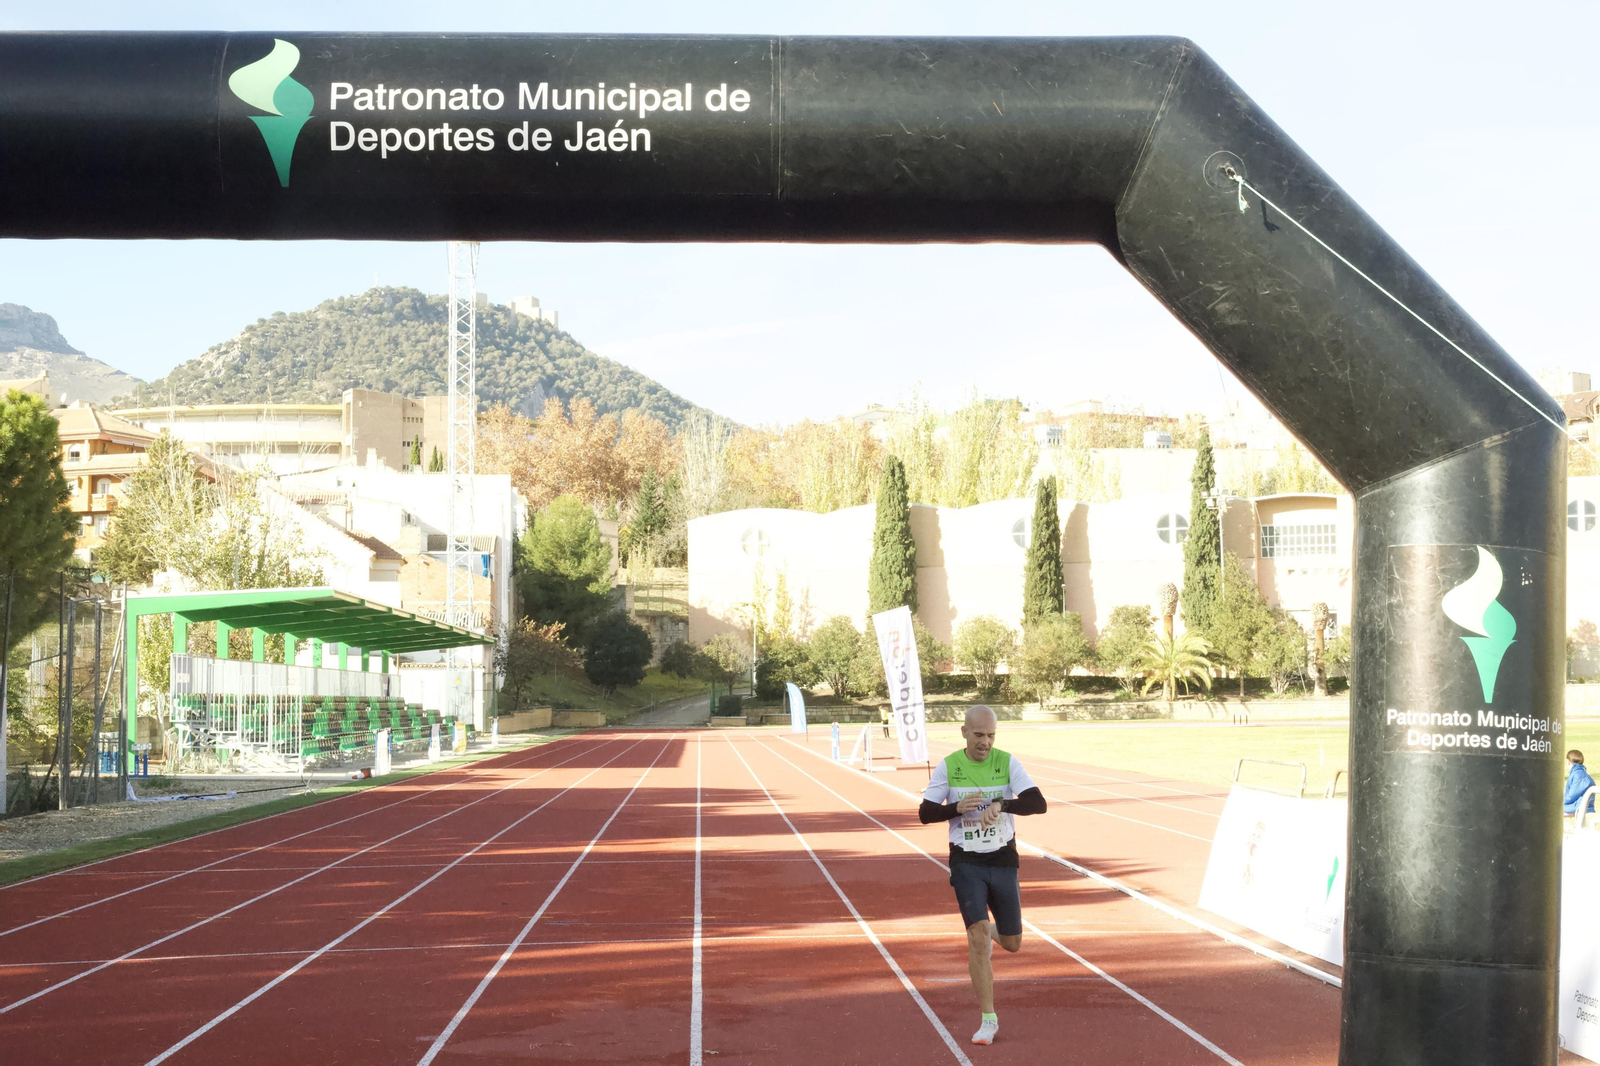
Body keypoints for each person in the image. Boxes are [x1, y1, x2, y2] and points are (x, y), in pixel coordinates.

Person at [918, 705, 1047, 1047]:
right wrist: (955, 808)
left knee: (1012, 943)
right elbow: (925, 813)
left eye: (991, 735)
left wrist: (1002, 804)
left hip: (1003, 858)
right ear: (964, 732)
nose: (985, 742)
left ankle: (991, 931)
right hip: (967, 861)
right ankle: (988, 1019)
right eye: (978, 735)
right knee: (976, 937)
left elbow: (1038, 803)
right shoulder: (950, 766)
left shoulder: (1006, 762)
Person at [1565, 750, 1596, 817]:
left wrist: (1558, 802)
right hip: (1583, 806)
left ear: (1568, 761)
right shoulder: (1580, 773)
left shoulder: (1578, 775)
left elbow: (1571, 796)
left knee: (1551, 809)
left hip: (1580, 807)